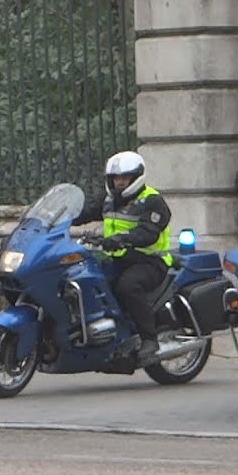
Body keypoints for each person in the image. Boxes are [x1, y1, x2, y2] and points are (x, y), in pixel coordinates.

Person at [71, 150, 173, 366]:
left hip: (148, 261)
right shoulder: (109, 200)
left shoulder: (152, 201)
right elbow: (85, 212)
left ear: (136, 178)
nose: (119, 183)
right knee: (86, 280)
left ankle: (149, 339)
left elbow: (148, 233)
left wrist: (120, 239)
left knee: (128, 287)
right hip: (117, 259)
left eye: (124, 178)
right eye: (116, 178)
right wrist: (59, 219)